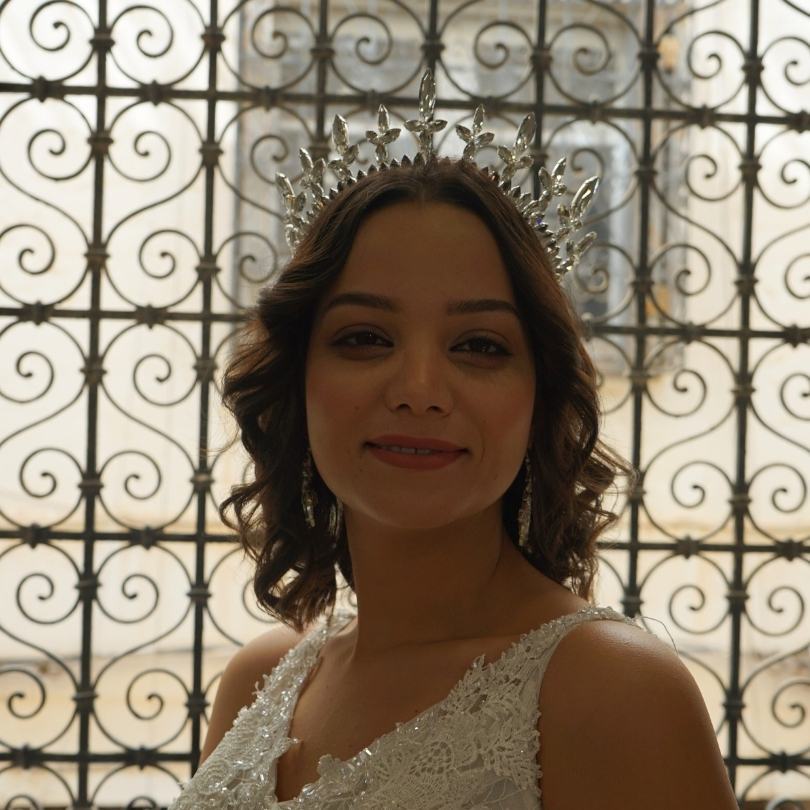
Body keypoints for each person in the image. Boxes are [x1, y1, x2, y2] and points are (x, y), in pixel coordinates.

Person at [168, 74, 739, 809]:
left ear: (540, 397)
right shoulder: (261, 678)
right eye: (365, 337)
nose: (419, 389)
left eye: (479, 346)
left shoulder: (610, 692)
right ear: (297, 378)